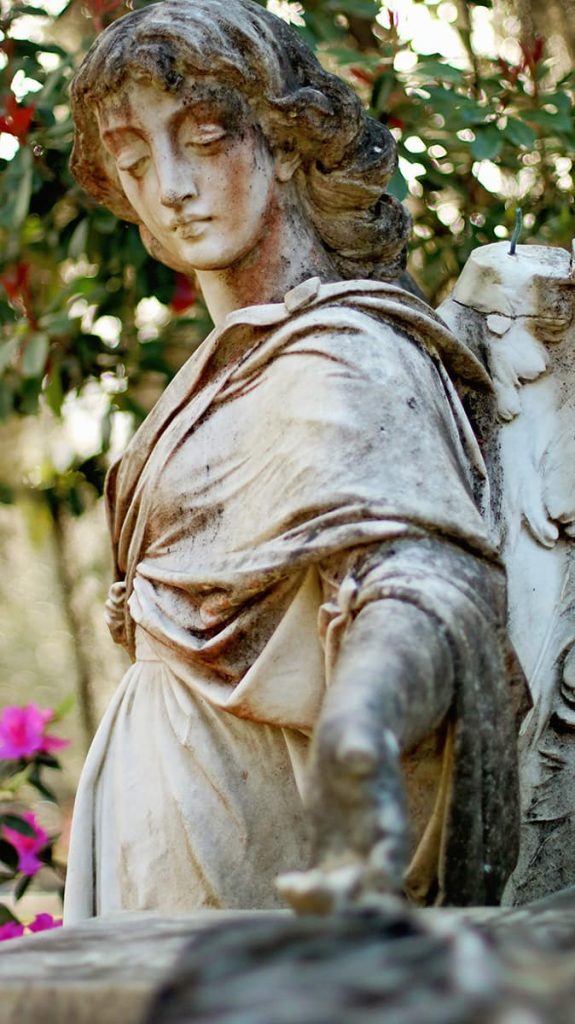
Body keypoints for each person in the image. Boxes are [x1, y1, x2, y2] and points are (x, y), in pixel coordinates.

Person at [63, 0, 523, 923]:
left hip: (247, 841)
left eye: (202, 137)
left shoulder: (341, 353)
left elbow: (423, 589)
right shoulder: (223, 371)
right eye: (133, 155)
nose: (171, 184)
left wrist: (360, 734)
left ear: (283, 141)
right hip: (176, 831)